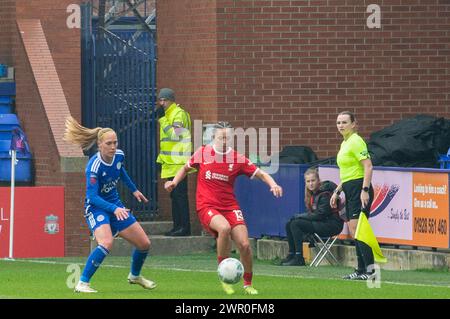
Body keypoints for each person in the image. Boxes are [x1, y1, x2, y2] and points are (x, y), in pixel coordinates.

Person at [164, 122, 283, 295]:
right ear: (214, 138)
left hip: (229, 205)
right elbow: (185, 168)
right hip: (207, 205)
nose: (225, 141)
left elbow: (262, 174)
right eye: (221, 137)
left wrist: (273, 184)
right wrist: (174, 182)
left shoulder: (237, 158)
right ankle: (224, 275)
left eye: (228, 137)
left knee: (244, 245)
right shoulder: (203, 153)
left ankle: (247, 284)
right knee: (224, 228)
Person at [64, 117, 156, 293]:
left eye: (115, 142)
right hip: (97, 208)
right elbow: (91, 196)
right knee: (106, 242)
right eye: (109, 143)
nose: (113, 147)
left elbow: (121, 171)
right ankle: (82, 283)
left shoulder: (119, 155)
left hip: (115, 206)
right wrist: (115, 208)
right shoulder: (94, 166)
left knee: (144, 244)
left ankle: (134, 276)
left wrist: (134, 190)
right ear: (99, 145)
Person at [330, 111, 375, 280]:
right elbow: (347, 172)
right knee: (354, 230)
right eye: (338, 122)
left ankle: (371, 272)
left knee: (359, 229)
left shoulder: (356, 141)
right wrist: (337, 190)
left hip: (358, 188)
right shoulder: (345, 143)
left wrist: (364, 190)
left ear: (354, 124)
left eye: (344, 122)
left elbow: (368, 166)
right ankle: (361, 270)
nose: (340, 125)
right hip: (349, 188)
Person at [280, 168, 344, 266]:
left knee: (296, 223)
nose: (311, 184)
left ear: (318, 181)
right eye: (308, 181)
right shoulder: (312, 194)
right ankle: (291, 254)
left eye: (313, 180)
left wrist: (299, 216)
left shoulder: (325, 193)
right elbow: (314, 215)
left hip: (332, 225)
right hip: (322, 223)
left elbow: (320, 215)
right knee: (289, 223)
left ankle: (299, 258)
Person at [156, 88, 192, 236]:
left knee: (180, 196)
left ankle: (184, 228)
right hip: (171, 163)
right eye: (160, 100)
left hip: (179, 163)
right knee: (174, 196)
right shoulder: (169, 114)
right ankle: (177, 227)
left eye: (165, 100)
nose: (162, 103)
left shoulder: (177, 114)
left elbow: (176, 135)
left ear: (171, 100)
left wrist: (163, 120)